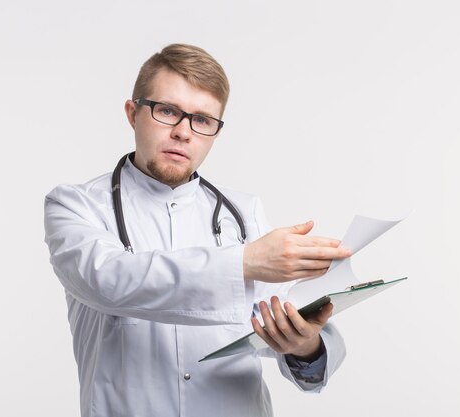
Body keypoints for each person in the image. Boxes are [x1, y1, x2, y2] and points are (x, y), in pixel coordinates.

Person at [44, 43, 351, 417]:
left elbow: (286, 324)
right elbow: (108, 280)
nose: (183, 132)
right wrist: (245, 262)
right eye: (168, 111)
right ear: (132, 113)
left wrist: (304, 344)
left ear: (215, 132)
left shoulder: (245, 213)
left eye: (202, 120)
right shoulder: (76, 206)